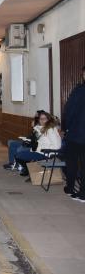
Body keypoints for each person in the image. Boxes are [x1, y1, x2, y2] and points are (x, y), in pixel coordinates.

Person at [15, 111, 62, 178]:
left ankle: (28, 170)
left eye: (44, 118)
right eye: (40, 119)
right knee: (19, 154)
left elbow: (57, 146)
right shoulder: (43, 128)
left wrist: (43, 148)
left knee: (19, 156)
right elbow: (37, 139)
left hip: (45, 153)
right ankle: (29, 170)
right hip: (39, 150)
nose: (42, 120)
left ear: (48, 120)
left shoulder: (50, 130)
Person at [62, 66, 85, 201]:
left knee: (72, 162)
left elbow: (69, 111)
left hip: (77, 134)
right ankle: (82, 192)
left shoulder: (79, 91)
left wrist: (66, 128)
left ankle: (71, 188)